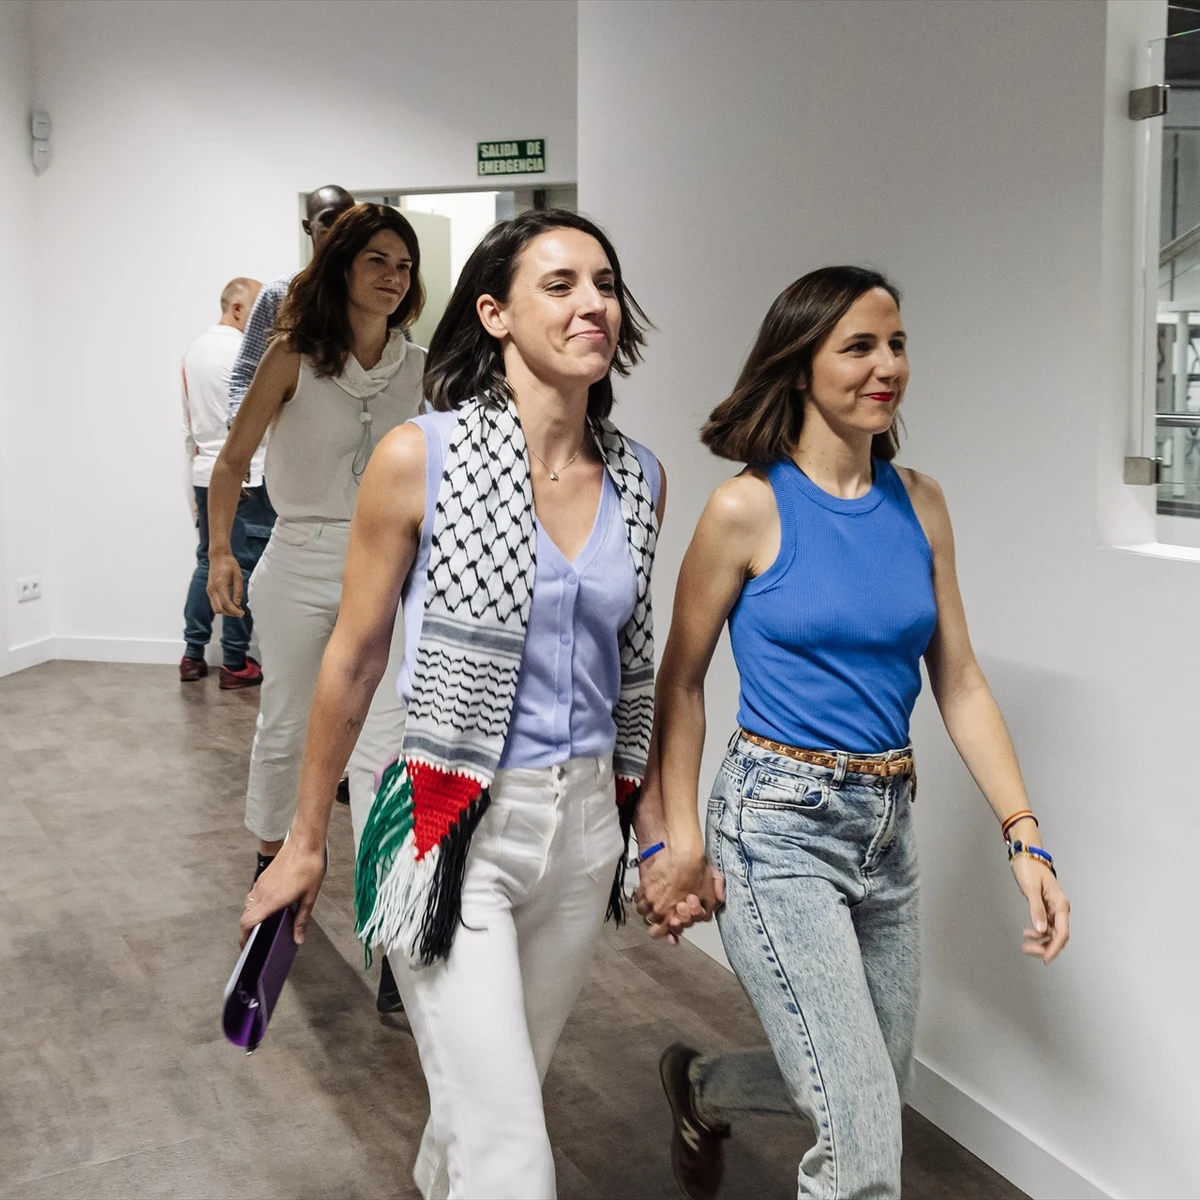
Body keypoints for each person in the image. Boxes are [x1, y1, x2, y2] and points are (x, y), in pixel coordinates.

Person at [240, 210, 667, 1199]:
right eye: (558, 284)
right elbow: (351, 661)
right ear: (496, 313)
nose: (591, 302)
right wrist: (307, 838)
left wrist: (657, 827)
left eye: (603, 283)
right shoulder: (418, 456)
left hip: (583, 833)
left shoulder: (639, 477)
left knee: (476, 1121)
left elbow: (638, 667)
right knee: (515, 1158)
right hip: (446, 825)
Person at [637, 266, 1072, 1200]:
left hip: (887, 826)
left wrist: (1023, 833)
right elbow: (681, 682)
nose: (888, 368)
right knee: (864, 1147)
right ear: (800, 366)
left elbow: (957, 680)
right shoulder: (745, 508)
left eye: (899, 345)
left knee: (875, 1077)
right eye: (860, 347)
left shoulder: (921, 502)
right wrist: (678, 839)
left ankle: (704, 1087)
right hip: (776, 827)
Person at [179, 275, 272, 688]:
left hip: (204, 471)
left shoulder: (193, 352)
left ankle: (192, 654)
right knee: (243, 565)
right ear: (238, 309)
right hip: (245, 473)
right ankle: (236, 662)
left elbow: (187, 425)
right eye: (259, 310)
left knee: (208, 561)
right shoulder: (246, 354)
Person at [226, 185, 356, 426]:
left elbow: (403, 366)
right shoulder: (280, 294)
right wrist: (243, 449)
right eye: (329, 219)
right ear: (308, 227)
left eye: (348, 219)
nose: (340, 227)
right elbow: (245, 376)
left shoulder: (374, 291)